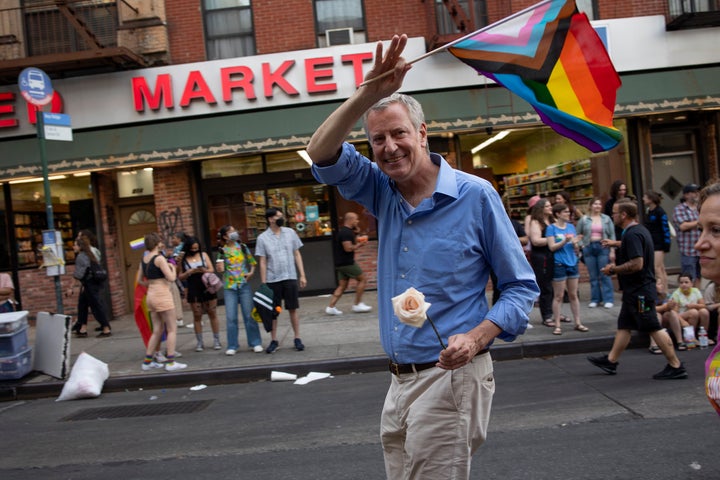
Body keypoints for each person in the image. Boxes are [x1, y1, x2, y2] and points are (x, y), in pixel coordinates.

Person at [306, 34, 538, 479]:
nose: (389, 147)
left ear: (422, 133)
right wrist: (366, 94)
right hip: (398, 382)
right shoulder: (380, 190)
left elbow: (520, 287)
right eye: (378, 139)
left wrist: (476, 336)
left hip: (451, 377)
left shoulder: (476, 196)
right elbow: (320, 153)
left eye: (398, 133)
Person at [587, 199, 687, 379]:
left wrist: (613, 270)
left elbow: (637, 263)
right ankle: (611, 361)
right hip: (635, 291)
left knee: (652, 325)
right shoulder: (637, 230)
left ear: (624, 215)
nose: (613, 215)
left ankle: (676, 365)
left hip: (640, 292)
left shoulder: (632, 235)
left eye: (615, 213)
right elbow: (634, 245)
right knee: (624, 324)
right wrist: (615, 243)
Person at [255, 207, 307, 354]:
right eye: (278, 216)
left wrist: (302, 275)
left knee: (292, 308)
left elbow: (297, 254)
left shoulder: (290, 233)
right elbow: (263, 261)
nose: (281, 218)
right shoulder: (262, 238)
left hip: (289, 276)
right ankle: (274, 340)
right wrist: (264, 283)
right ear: (270, 219)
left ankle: (297, 338)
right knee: (274, 311)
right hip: (273, 279)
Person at [137, 232, 186, 372]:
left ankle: (147, 362)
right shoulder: (159, 259)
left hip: (151, 295)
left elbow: (140, 280)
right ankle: (171, 362)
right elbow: (171, 278)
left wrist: (151, 284)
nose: (162, 243)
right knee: (171, 329)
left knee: (157, 329)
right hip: (163, 294)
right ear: (157, 244)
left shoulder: (144, 259)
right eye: (160, 241)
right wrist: (173, 267)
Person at [216, 225, 262, 355]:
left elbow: (252, 262)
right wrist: (220, 269)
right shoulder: (222, 250)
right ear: (225, 236)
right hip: (229, 287)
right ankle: (232, 345)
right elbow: (220, 268)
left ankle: (255, 342)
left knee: (249, 315)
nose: (234, 233)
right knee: (231, 317)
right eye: (231, 231)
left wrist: (251, 273)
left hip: (243, 284)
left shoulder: (242, 247)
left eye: (235, 230)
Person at [546, 203, 587, 335]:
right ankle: (557, 325)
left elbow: (575, 247)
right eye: (565, 212)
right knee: (558, 296)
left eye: (568, 212)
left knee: (573, 294)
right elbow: (551, 247)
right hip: (559, 263)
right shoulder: (551, 228)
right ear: (558, 214)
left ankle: (578, 322)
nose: (568, 214)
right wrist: (565, 241)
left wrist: (576, 242)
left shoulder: (571, 227)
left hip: (572, 262)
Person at [178, 236, 221, 352]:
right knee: (197, 314)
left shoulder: (204, 255)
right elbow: (180, 276)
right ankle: (200, 342)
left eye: (197, 248)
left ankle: (216, 340)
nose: (195, 250)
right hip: (193, 285)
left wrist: (203, 270)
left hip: (206, 283)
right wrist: (188, 272)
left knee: (212, 312)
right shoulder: (183, 259)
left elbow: (212, 269)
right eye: (192, 249)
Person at [325, 212, 373, 315]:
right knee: (363, 279)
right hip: (347, 263)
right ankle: (357, 304)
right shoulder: (345, 233)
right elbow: (348, 248)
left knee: (342, 286)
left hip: (341, 263)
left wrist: (356, 232)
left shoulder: (347, 231)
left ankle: (331, 307)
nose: (357, 221)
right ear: (350, 220)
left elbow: (353, 241)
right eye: (356, 219)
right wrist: (360, 245)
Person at [576, 197, 616, 308]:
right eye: (595, 204)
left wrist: (612, 250)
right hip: (589, 247)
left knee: (605, 273)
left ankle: (608, 299)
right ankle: (595, 299)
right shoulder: (584, 219)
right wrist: (581, 245)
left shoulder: (606, 219)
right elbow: (577, 234)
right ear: (590, 206)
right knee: (593, 275)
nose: (597, 206)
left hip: (603, 246)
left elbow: (612, 235)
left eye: (599, 204)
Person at [68, 237, 112, 338]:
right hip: (91, 284)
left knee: (96, 306)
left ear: (80, 246)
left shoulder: (81, 257)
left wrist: (70, 287)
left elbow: (78, 274)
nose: (73, 247)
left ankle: (106, 328)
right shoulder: (89, 254)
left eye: (75, 245)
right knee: (82, 305)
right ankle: (82, 329)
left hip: (90, 285)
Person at [528, 198, 558, 327]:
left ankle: (556, 313)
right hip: (541, 257)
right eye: (547, 206)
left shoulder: (553, 220)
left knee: (555, 286)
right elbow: (535, 240)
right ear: (541, 208)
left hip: (553, 256)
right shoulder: (535, 222)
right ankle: (547, 315)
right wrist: (552, 240)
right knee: (545, 286)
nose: (550, 208)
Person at [643, 190, 671, 297]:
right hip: (652, 242)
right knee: (661, 268)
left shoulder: (660, 212)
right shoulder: (648, 211)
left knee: (656, 268)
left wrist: (666, 245)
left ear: (651, 199)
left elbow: (665, 228)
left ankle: (663, 292)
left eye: (645, 197)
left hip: (659, 243)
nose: (643, 199)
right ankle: (666, 290)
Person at [669, 273, 711, 343]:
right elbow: (674, 312)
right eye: (681, 283)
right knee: (693, 312)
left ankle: (703, 336)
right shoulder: (676, 294)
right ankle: (690, 337)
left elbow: (703, 305)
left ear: (691, 283)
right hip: (681, 314)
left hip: (694, 311)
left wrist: (694, 305)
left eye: (686, 282)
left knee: (704, 312)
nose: (684, 284)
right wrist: (683, 321)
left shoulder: (695, 291)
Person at [673, 183, 701, 288]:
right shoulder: (680, 209)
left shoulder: (699, 208)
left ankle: (697, 300)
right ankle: (688, 301)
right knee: (688, 278)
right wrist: (700, 221)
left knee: (699, 276)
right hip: (688, 250)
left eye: (697, 192)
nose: (696, 194)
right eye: (693, 192)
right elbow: (683, 226)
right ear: (686, 195)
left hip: (701, 248)